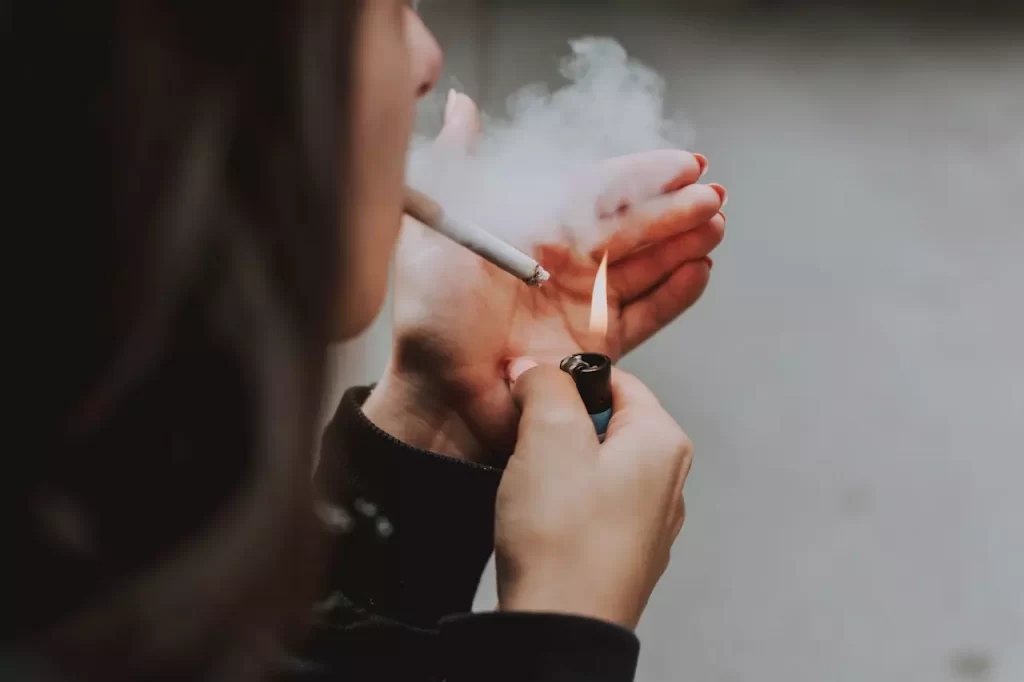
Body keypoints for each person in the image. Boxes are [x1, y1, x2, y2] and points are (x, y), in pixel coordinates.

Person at [9, 2, 726, 680]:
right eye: (384, 9)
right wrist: (563, 631)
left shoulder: (90, 484)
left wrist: (428, 434)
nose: (428, 57)